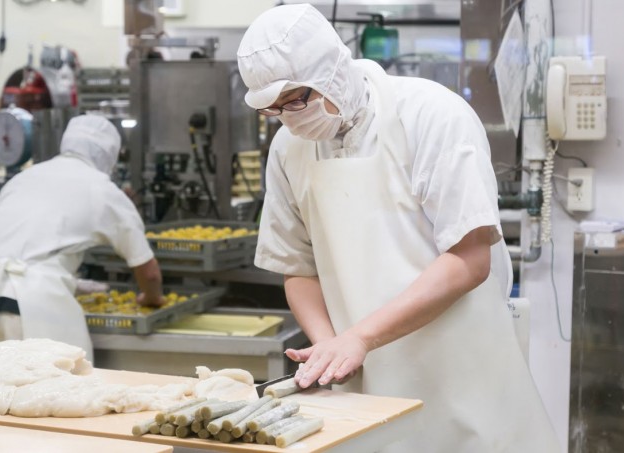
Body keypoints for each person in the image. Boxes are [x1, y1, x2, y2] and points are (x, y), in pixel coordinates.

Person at [237, 4, 559, 452]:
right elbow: (297, 266)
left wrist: (361, 337)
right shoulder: (289, 149)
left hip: (462, 372)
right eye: (274, 109)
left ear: (331, 70)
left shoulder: (430, 115)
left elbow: (469, 258)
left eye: (296, 100)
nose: (289, 118)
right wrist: (332, 349)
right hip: (365, 381)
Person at [0, 115, 165, 361]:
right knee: (58, 392)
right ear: (108, 156)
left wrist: (72, 281)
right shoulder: (100, 187)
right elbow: (149, 272)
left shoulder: (25, 177)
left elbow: (27, 248)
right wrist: (152, 298)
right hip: (33, 305)